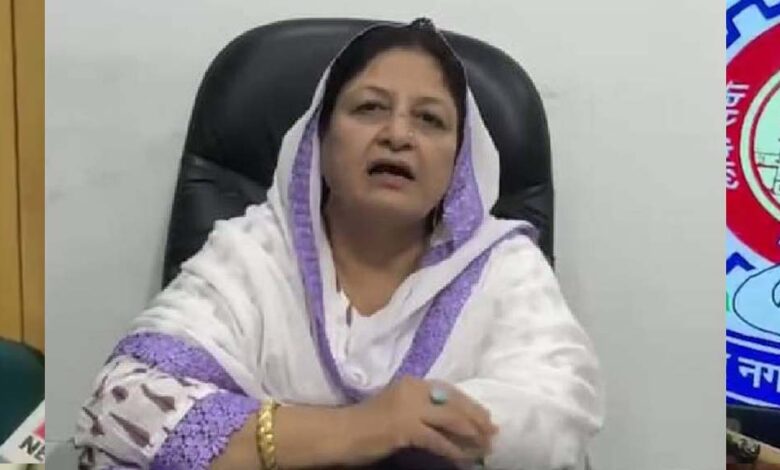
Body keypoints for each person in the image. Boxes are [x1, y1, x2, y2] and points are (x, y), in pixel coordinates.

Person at [74, 18, 604, 470]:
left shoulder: (501, 266)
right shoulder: (256, 256)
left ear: (458, 163)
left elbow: (558, 413)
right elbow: (120, 411)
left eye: (430, 119)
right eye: (370, 108)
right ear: (319, 142)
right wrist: (360, 429)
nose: (398, 135)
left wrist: (428, 410)